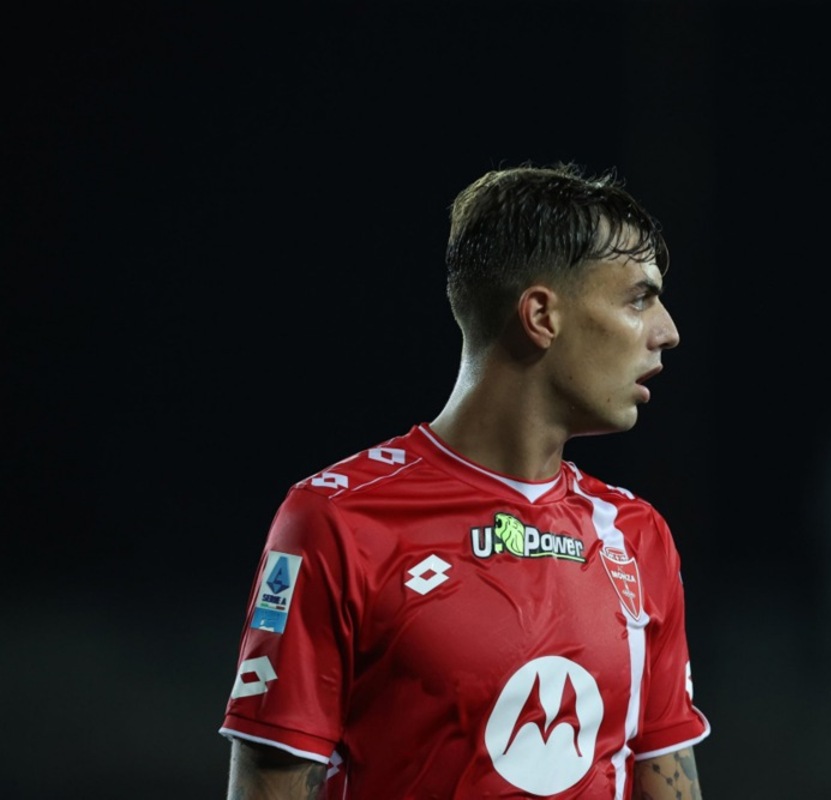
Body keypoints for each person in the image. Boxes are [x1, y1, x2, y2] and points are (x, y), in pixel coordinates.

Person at [218, 161, 711, 799]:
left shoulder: (639, 538)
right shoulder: (337, 521)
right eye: (639, 298)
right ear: (541, 315)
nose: (667, 332)